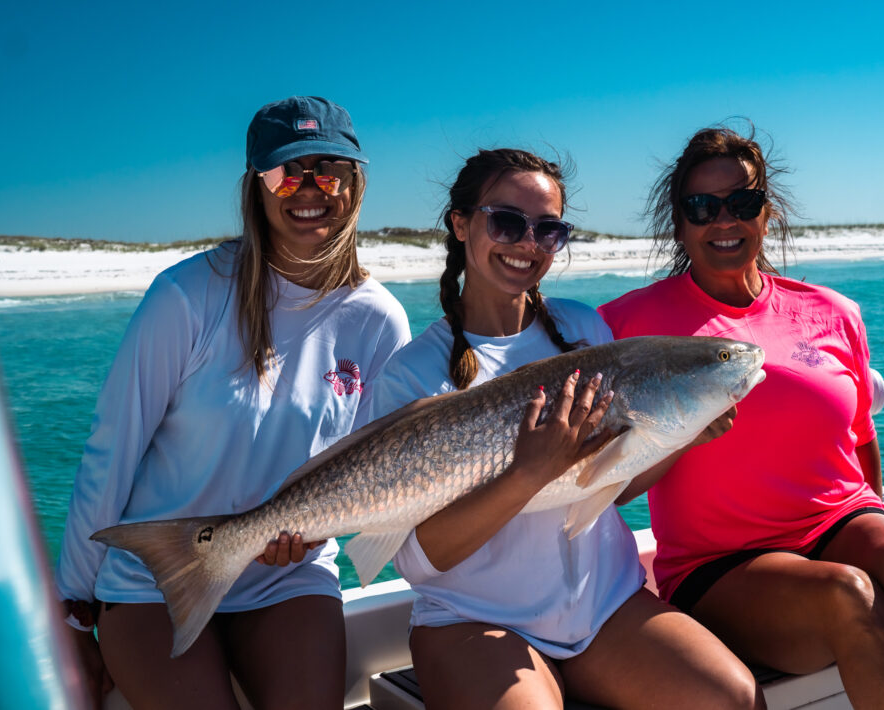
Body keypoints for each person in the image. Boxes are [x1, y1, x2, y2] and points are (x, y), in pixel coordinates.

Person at [598, 125, 884, 709]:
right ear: (679, 220)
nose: (724, 220)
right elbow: (592, 464)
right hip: (722, 565)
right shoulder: (623, 325)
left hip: (841, 521)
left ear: (767, 212)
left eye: (742, 203)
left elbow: (862, 441)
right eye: (702, 207)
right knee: (847, 593)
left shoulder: (833, 312)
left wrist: (882, 529)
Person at [370, 148, 763, 710]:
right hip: (474, 623)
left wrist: (683, 436)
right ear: (460, 224)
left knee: (734, 697)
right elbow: (420, 558)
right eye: (507, 221)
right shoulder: (412, 375)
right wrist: (528, 473)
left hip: (605, 606)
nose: (527, 243)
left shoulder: (583, 327)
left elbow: (609, 485)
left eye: (548, 230)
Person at [55, 96, 411, 710]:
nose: (308, 189)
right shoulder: (187, 297)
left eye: (328, 169)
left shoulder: (379, 321)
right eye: (285, 171)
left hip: (287, 577)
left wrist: (320, 529)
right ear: (256, 185)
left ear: (354, 184)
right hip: (155, 578)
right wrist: (71, 613)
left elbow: (388, 476)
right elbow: (111, 451)